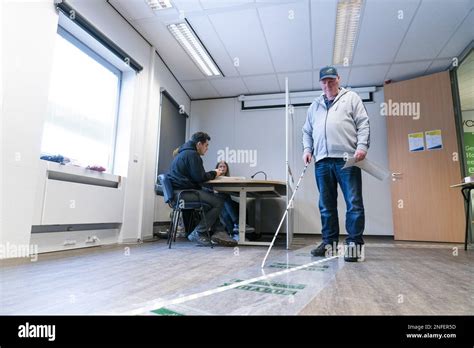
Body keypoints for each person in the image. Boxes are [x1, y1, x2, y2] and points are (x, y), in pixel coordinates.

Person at [302, 66, 370, 262]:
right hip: (322, 161)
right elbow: (307, 131)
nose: (327, 84)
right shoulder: (315, 106)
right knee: (326, 205)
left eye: (331, 80)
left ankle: (354, 246)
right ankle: (329, 244)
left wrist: (362, 146)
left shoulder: (351, 98)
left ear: (338, 79)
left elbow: (363, 123)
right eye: (324, 81)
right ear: (320, 83)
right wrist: (307, 150)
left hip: (347, 159)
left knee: (354, 203)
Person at [167, 132, 236, 247]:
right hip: (183, 194)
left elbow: (196, 177)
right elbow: (200, 178)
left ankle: (218, 231)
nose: (207, 148)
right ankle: (199, 232)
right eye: (206, 145)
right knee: (218, 202)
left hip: (178, 192)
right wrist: (215, 173)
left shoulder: (183, 153)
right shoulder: (192, 155)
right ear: (199, 144)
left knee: (210, 199)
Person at [214, 161, 255, 242]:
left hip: (226, 202)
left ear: (227, 169)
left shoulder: (230, 179)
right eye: (220, 166)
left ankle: (239, 231)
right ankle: (236, 230)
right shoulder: (213, 177)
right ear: (217, 168)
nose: (222, 168)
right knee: (225, 211)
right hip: (216, 202)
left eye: (224, 167)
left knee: (242, 207)